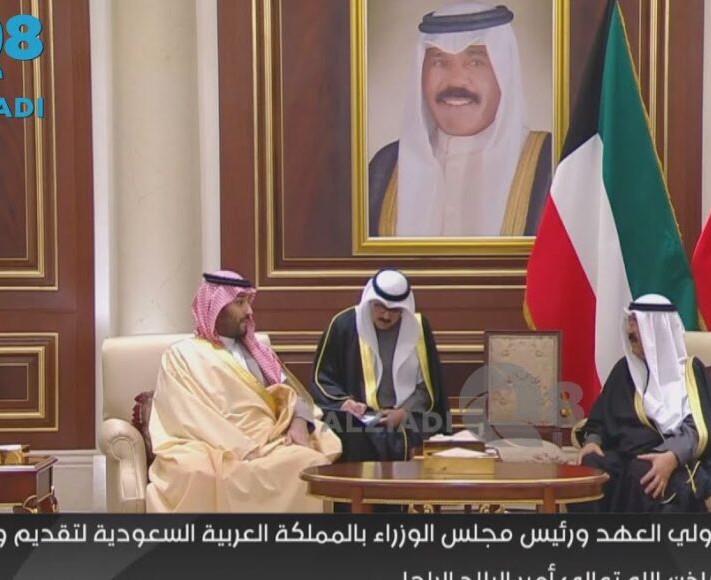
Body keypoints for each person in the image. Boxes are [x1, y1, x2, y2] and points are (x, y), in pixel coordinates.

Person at [146, 271, 342, 513]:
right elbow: (188, 414)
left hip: (268, 442)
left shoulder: (258, 353)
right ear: (215, 307)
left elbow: (292, 394)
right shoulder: (182, 355)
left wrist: (299, 421)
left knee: (308, 462)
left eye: (248, 302)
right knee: (194, 471)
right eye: (239, 303)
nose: (249, 311)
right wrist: (241, 447)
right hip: (209, 446)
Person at [368, 1, 552, 238]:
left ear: (504, 72)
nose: (455, 80)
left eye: (475, 62)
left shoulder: (551, 163)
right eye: (439, 62)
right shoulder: (385, 168)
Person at [571, 294, 711, 513]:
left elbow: (698, 429)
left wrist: (672, 457)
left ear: (657, 329)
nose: (630, 330)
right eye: (629, 321)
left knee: (643, 472)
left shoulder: (689, 372)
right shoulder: (623, 370)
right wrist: (592, 442)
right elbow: (599, 419)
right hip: (624, 454)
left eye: (636, 322)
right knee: (592, 465)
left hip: (671, 455)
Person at [310, 269, 451, 462]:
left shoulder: (418, 329)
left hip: (407, 417)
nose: (386, 315)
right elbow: (323, 378)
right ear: (369, 301)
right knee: (342, 430)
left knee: (426, 428)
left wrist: (404, 413)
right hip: (359, 418)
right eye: (379, 307)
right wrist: (344, 402)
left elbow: (428, 386)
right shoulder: (344, 325)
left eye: (394, 310)